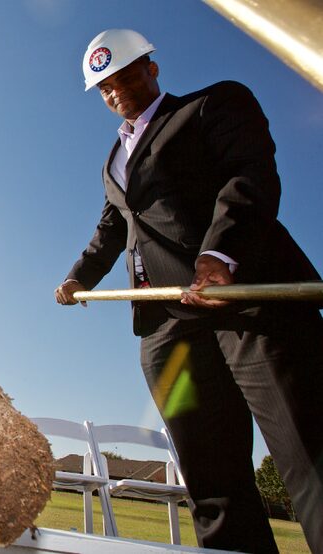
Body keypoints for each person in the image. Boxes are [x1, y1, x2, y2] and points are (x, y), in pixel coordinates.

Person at [54, 29, 323, 552]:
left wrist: (219, 256)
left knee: (309, 459)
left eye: (123, 76)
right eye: (104, 87)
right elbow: (112, 230)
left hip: (246, 306)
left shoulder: (212, 105)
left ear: (152, 68)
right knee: (212, 483)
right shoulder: (113, 162)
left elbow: (250, 176)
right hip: (168, 332)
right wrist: (78, 278)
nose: (115, 92)